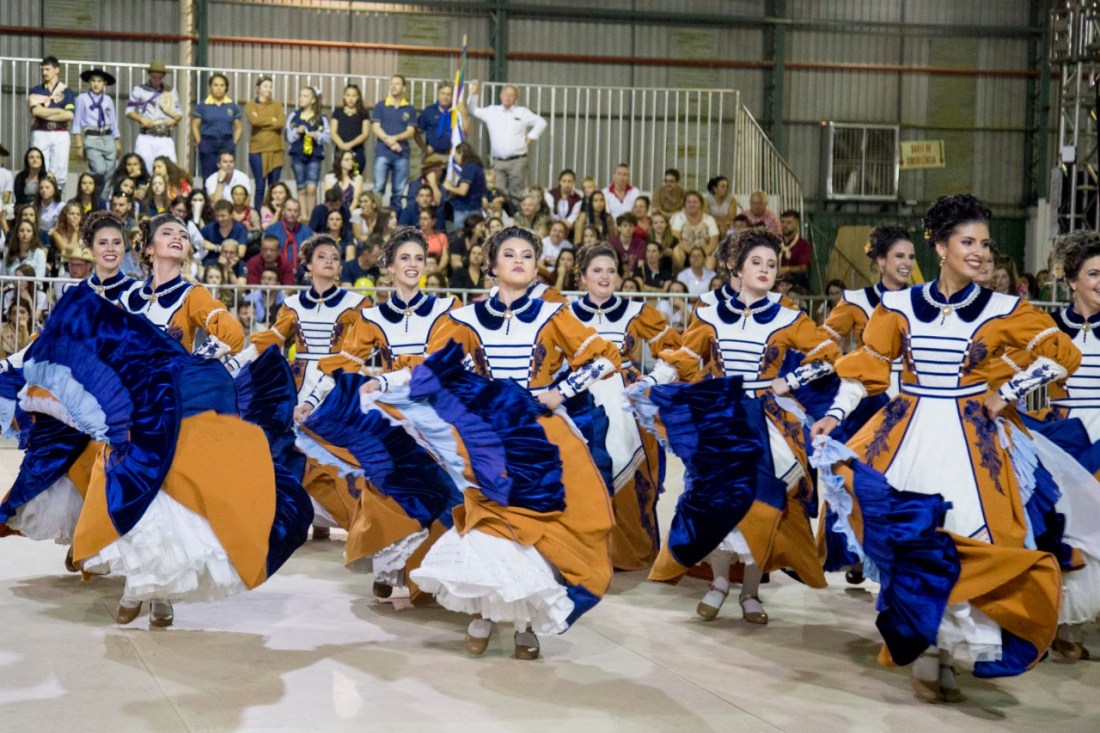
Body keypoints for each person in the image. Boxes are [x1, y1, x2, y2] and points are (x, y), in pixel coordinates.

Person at [810, 194, 1081, 702]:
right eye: (968, 242)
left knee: (965, 538)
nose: (980, 253)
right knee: (917, 539)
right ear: (940, 247)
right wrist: (835, 415)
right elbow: (868, 368)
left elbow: (1061, 354)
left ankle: (950, 650)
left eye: (985, 244)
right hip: (907, 436)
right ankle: (929, 649)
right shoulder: (897, 307)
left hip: (971, 442)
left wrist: (1010, 391)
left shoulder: (1005, 308)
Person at [386, 226, 619, 659]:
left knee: (536, 529)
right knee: (491, 525)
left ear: (536, 267)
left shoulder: (554, 313)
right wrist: (381, 384)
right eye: (509, 254)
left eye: (527, 255)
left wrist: (562, 391)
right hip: (489, 438)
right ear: (491, 266)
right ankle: (484, 614)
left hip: (544, 435)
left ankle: (525, 623)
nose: (518, 261)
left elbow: (605, 358)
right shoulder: (466, 319)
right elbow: (431, 367)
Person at [634, 228, 840, 627]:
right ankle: (718, 582)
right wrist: (651, 381)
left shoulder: (789, 316)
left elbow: (828, 356)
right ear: (737, 268)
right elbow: (685, 356)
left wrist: (790, 381)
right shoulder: (709, 312)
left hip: (766, 419)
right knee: (713, 501)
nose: (765, 270)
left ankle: (750, 591)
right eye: (756, 262)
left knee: (759, 505)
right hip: (721, 415)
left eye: (772, 264)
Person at [295, 227, 460, 593]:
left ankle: (432, 571)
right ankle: (388, 568)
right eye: (405, 258)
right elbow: (342, 365)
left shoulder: (447, 309)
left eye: (419, 258)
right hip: (393, 416)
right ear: (389, 266)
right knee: (387, 489)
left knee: (444, 488)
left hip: (435, 412)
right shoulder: (373, 318)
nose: (413, 264)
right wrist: (310, 401)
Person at [227, 234, 367, 534]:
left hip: (338, 382)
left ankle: (343, 518)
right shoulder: (292, 304)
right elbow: (271, 341)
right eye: (322, 256)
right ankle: (308, 517)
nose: (329, 261)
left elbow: (354, 353)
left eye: (335, 257)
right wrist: (234, 365)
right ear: (308, 265)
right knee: (295, 449)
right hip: (299, 382)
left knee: (335, 451)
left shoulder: (356, 303)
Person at [572, 243, 682, 568]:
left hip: (624, 402)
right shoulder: (565, 314)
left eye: (611, 270)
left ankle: (626, 552)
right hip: (580, 399)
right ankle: (585, 551)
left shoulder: (636, 311)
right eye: (597, 271)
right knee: (582, 472)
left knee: (627, 468)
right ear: (582, 277)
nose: (604, 277)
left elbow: (675, 353)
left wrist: (651, 380)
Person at [466, 81, 547, 206]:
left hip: (517, 161)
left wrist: (531, 136)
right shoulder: (492, 111)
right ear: (501, 95)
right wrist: (474, 94)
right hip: (498, 161)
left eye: (511, 95)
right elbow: (472, 110)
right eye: (506, 94)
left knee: (516, 194)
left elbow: (541, 122)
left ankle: (516, 217)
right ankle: (500, 217)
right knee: (498, 193)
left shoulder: (522, 112)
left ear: (515, 98)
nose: (508, 97)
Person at [27, 56, 75, 190]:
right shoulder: (37, 90)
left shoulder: (66, 91)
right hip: (41, 131)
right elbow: (36, 111)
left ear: (56, 70)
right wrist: (59, 111)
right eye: (43, 69)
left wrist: (45, 112)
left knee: (60, 169)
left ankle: (58, 196)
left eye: (47, 69)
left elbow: (69, 115)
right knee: (39, 167)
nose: (44, 72)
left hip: (60, 132)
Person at [126, 60, 183, 171]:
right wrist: (141, 119)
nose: (156, 80)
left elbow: (179, 112)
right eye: (154, 77)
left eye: (159, 78)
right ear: (149, 75)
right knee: (144, 167)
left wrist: (173, 120)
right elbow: (129, 111)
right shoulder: (140, 90)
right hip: (146, 136)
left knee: (168, 168)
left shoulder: (170, 91)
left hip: (164, 136)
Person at [371, 75, 417, 210]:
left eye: (397, 84)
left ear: (404, 88)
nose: (393, 86)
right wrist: (390, 142)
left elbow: (411, 132)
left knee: (398, 192)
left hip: (402, 155)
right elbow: (376, 128)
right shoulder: (380, 105)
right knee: (378, 188)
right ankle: (376, 217)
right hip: (383, 153)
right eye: (392, 83)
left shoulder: (409, 108)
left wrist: (395, 138)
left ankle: (395, 217)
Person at [71, 68, 121, 186]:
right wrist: (79, 145)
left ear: (104, 83)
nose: (96, 84)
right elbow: (76, 122)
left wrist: (117, 140)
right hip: (92, 138)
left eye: (99, 81)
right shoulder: (82, 98)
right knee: (99, 170)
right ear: (89, 82)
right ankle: (89, 189)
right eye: (93, 81)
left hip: (107, 137)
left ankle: (103, 197)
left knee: (110, 172)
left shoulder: (108, 99)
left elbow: (113, 121)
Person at [286, 86, 330, 215]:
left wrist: (317, 135)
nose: (301, 98)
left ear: (313, 100)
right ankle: (303, 217)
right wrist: (296, 132)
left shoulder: (321, 118)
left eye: (305, 96)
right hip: (297, 155)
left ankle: (311, 217)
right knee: (301, 188)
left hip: (314, 156)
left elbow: (328, 137)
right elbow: (288, 137)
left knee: (312, 188)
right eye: (300, 95)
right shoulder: (294, 116)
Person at [191, 73, 242, 182]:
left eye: (222, 85)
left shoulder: (232, 106)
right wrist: (200, 142)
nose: (219, 88)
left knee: (227, 176)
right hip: (208, 143)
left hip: (227, 142)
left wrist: (234, 141)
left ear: (226, 87)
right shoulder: (202, 106)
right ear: (210, 86)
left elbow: (238, 127)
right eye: (216, 85)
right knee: (208, 177)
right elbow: (195, 126)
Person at [246, 76, 286, 211]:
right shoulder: (251, 105)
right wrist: (271, 120)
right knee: (260, 184)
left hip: (275, 150)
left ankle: (274, 213)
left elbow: (281, 122)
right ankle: (258, 213)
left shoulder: (277, 105)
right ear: (258, 88)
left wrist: (263, 121)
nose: (268, 89)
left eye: (270, 86)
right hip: (257, 149)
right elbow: (254, 121)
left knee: (274, 186)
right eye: (265, 86)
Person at [415, 81, 469, 160]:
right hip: (433, 155)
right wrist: (424, 148)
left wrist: (464, 114)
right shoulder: (429, 111)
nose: (445, 97)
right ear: (438, 94)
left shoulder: (457, 112)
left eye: (449, 94)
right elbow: (416, 132)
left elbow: (466, 131)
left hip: (454, 155)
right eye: (442, 93)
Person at [441, 142, 486, 232]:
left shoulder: (468, 168)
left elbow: (463, 191)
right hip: (475, 208)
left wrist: (448, 187)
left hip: (465, 210)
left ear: (461, 153)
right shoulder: (476, 167)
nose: (455, 158)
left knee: (460, 235)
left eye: (456, 155)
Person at [670, 191, 719, 269]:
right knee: (676, 251)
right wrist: (692, 253)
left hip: (705, 252)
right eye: (689, 202)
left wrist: (701, 254)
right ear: (684, 204)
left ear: (701, 204)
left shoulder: (709, 219)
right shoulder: (678, 217)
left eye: (695, 202)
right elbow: (676, 239)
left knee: (710, 260)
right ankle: (679, 276)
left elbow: (713, 242)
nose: (692, 205)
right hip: (685, 252)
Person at [331, 83, 371, 177]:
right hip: (340, 151)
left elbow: (365, 134)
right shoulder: (338, 112)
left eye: (354, 96)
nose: (351, 99)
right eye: (348, 95)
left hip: (357, 152)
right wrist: (342, 145)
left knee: (355, 178)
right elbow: (333, 132)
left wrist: (350, 145)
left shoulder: (363, 113)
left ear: (358, 97)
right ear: (344, 97)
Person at [264, 198, 313, 268]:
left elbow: (309, 255)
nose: (292, 214)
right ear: (283, 211)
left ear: (299, 213)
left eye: (295, 211)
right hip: (277, 268)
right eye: (289, 210)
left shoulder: (306, 231)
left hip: (301, 269)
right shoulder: (272, 230)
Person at [200, 200, 248, 266]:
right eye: (217, 216)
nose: (220, 219)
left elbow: (241, 253)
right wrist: (231, 252)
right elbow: (199, 245)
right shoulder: (208, 229)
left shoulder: (240, 228)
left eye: (223, 216)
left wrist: (215, 247)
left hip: (233, 263)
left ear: (231, 215)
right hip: (211, 264)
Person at [779, 209, 811, 289]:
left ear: (797, 223)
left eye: (789, 222)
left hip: (794, 279)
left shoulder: (803, 244)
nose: (785, 225)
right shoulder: (774, 241)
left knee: (800, 276)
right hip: (776, 277)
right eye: (782, 222)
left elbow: (803, 268)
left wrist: (786, 269)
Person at [49, 201, 83, 269]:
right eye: (72, 214)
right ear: (65, 216)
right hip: (63, 266)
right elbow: (68, 253)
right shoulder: (56, 233)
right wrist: (75, 232)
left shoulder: (86, 233)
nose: (75, 217)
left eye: (78, 214)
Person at [34, 174, 64, 239]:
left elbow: (60, 226)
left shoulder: (61, 206)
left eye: (47, 187)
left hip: (54, 237)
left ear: (54, 190)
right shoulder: (35, 206)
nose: (44, 190)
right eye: (41, 188)